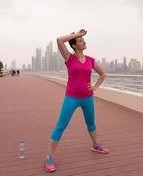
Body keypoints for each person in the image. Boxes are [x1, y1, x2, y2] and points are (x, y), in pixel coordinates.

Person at [44, 29, 109, 173]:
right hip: (71, 98)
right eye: (80, 41)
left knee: (91, 123)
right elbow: (59, 40)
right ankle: (49, 157)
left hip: (87, 97)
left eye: (83, 40)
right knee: (61, 126)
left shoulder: (91, 60)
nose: (83, 41)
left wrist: (95, 87)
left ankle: (95, 145)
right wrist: (77, 34)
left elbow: (103, 74)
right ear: (74, 45)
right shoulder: (69, 58)